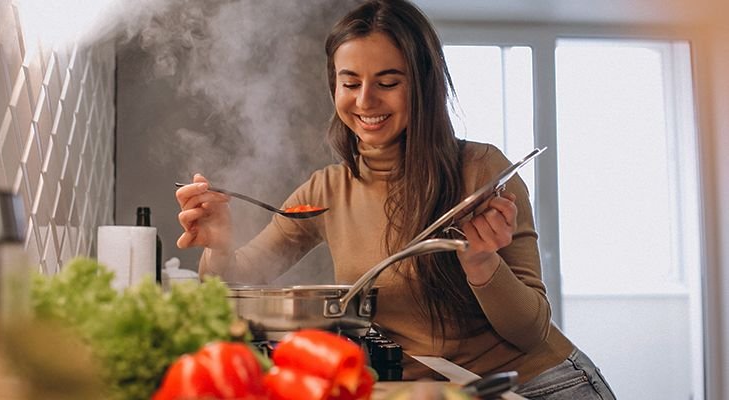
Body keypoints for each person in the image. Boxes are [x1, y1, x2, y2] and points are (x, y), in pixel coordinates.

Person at [174, 0, 616, 398]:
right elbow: (232, 284)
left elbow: (532, 332)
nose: (366, 101)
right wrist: (218, 244)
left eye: (387, 82)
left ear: (422, 86)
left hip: (540, 386)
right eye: (350, 83)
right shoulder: (326, 190)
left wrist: (483, 264)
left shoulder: (480, 170)